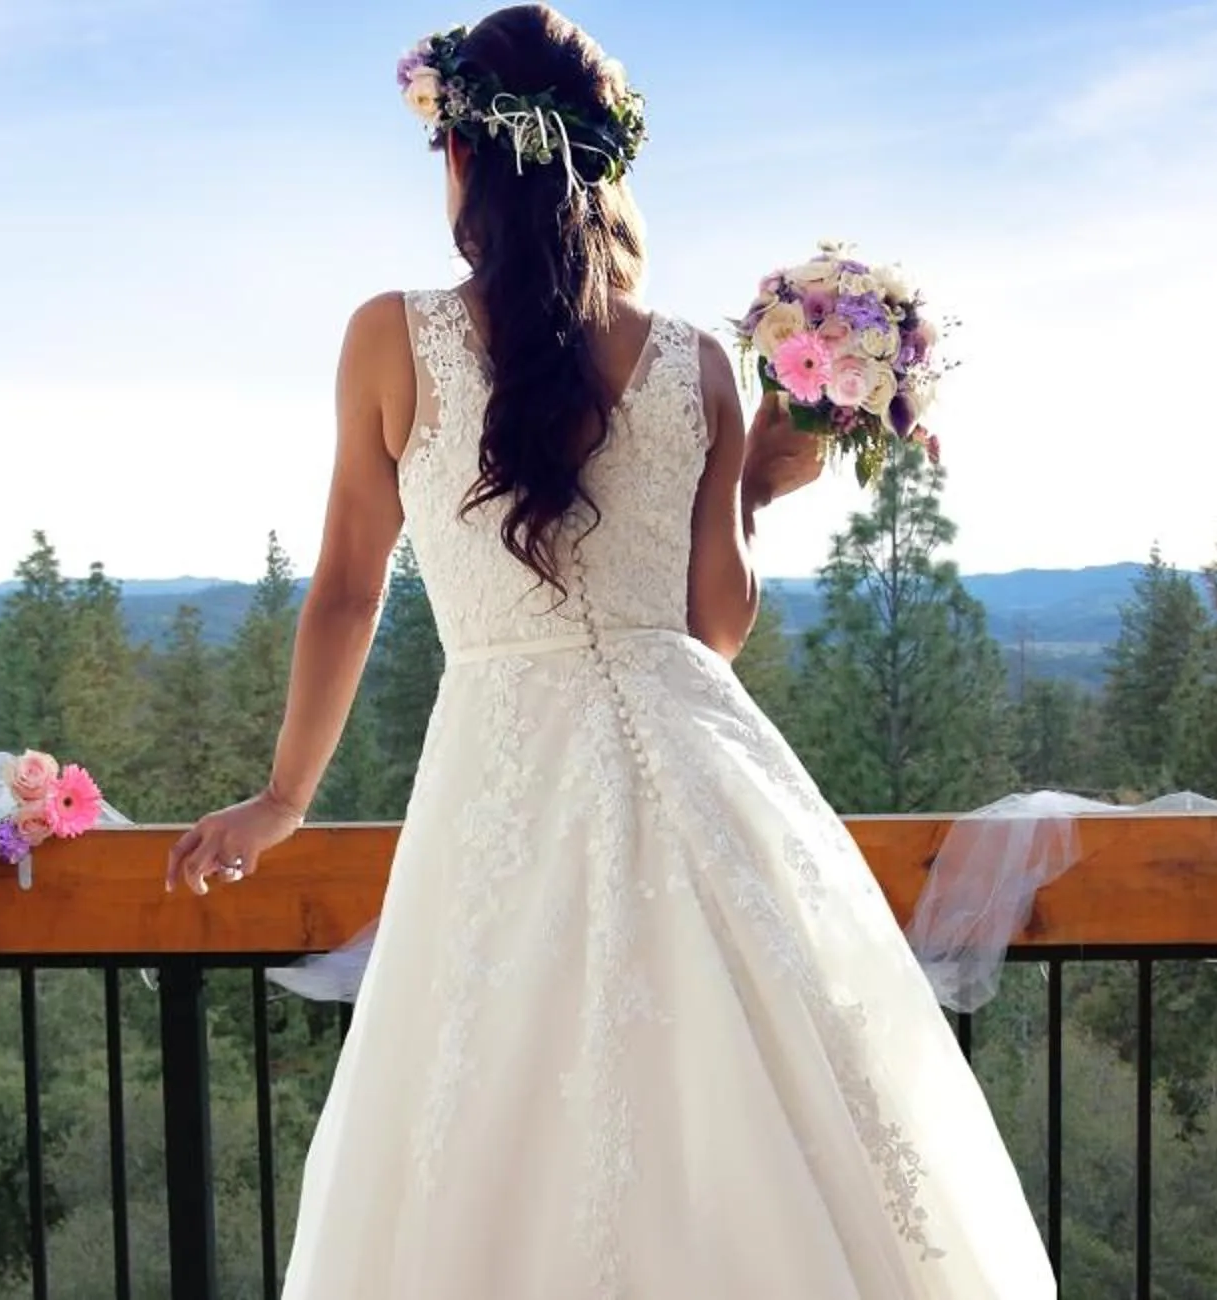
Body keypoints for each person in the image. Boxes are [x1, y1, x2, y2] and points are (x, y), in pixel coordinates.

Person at [166, 7, 1057, 1295]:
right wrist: (759, 481)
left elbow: (350, 589)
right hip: (697, 757)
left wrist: (285, 797)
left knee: (490, 1101)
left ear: (466, 157)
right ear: (604, 169)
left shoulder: (386, 336)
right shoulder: (697, 361)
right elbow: (715, 630)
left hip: (502, 768)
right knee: (740, 1093)